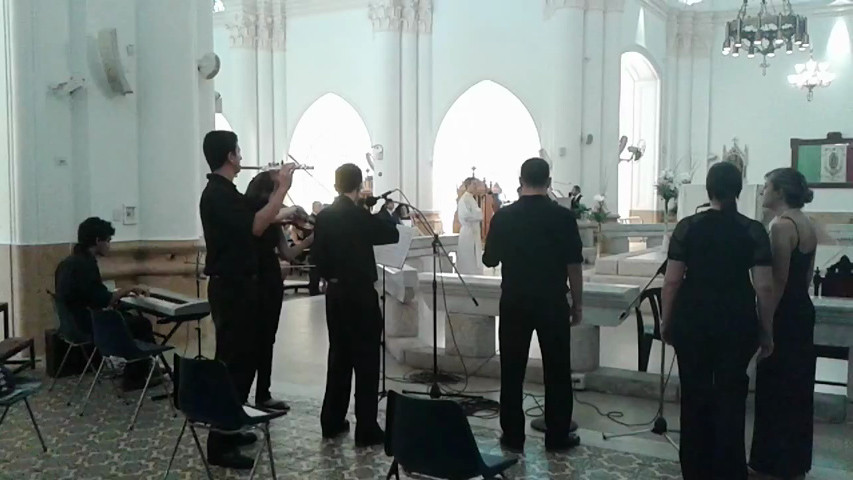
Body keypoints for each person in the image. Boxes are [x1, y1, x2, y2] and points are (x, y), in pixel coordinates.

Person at [660, 161, 775, 480]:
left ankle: (694, 469)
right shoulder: (752, 230)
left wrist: (667, 321)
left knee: (694, 395)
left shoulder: (688, 227)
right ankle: (729, 469)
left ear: (708, 190)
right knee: (732, 397)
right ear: (738, 190)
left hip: (693, 319)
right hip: (736, 321)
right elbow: (764, 285)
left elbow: (672, 281)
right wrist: (766, 330)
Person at [199, 130, 296, 469]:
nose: (241, 155)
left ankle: (232, 425)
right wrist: (281, 188)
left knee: (243, 360)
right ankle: (220, 444)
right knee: (234, 364)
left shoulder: (226, 192)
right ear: (230, 156)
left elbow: (263, 217)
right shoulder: (217, 194)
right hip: (232, 289)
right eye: (238, 150)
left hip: (240, 287)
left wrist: (281, 201)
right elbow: (256, 226)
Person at [482, 157, 584, 453]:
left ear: (520, 180)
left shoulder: (504, 217)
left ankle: (513, 436)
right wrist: (577, 304)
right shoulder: (563, 217)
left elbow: (490, 259)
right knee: (557, 370)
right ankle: (557, 436)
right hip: (552, 302)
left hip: (514, 302)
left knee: (512, 370)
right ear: (549, 182)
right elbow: (574, 266)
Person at [311, 163, 399, 447]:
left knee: (338, 357)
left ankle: (332, 421)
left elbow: (318, 257)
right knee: (366, 360)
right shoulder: (359, 216)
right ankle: (366, 428)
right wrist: (382, 210)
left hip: (335, 294)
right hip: (360, 295)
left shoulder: (324, 216)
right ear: (359, 186)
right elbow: (390, 233)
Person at [749, 168, 817, 479]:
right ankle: (795, 462)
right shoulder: (807, 223)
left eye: (766, 186)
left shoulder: (781, 227)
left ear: (779, 192)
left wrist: (766, 328)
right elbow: (804, 278)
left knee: (774, 388)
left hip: (783, 314)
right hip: (802, 309)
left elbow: (777, 281)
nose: (763, 191)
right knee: (798, 389)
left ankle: (770, 462)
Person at [54, 217, 158, 392]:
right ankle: (136, 376)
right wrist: (130, 288)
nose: (110, 245)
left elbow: (90, 295)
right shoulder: (85, 265)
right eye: (108, 241)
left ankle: (141, 368)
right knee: (141, 324)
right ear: (97, 241)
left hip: (70, 326)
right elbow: (104, 300)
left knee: (128, 317)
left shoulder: (67, 263)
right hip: (87, 326)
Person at [245, 171, 312, 412]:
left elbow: (288, 254)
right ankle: (244, 396)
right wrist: (290, 211)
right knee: (251, 341)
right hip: (254, 280)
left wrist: (310, 239)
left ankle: (263, 393)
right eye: (276, 190)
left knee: (267, 339)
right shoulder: (254, 213)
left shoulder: (273, 219)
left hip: (271, 281)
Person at [456, 177, 484, 275]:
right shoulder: (464, 199)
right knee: (468, 256)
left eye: (476, 184)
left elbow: (478, 214)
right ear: (468, 185)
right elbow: (466, 215)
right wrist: (478, 214)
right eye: (474, 184)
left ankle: (475, 274)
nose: (476, 187)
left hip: (474, 230)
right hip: (468, 231)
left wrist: (478, 214)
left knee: (475, 255)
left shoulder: (471, 198)